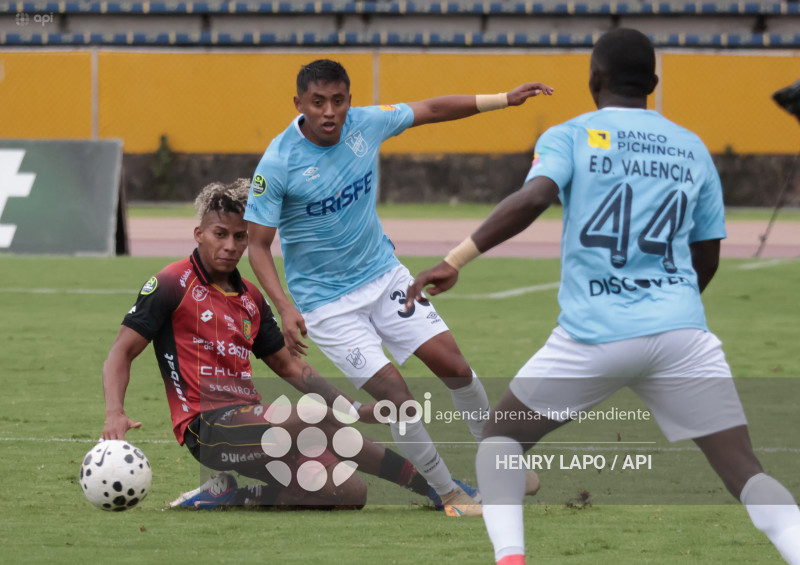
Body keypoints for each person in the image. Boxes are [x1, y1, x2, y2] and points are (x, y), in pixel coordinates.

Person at [407, 28, 800, 564]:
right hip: (682, 336)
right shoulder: (692, 148)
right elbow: (706, 256)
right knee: (745, 471)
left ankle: (512, 559)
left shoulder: (569, 135)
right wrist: (668, 305)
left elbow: (534, 198)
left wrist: (455, 260)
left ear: (594, 79)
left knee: (500, 440)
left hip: (593, 336)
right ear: (654, 83)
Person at [244, 59, 552, 515]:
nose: (330, 111)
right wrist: (285, 307)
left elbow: (431, 108)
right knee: (397, 400)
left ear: (349, 99)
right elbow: (258, 246)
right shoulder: (278, 163)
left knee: (456, 367)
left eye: (339, 100)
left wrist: (502, 99)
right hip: (329, 307)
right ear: (299, 104)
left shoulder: (366, 123)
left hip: (385, 276)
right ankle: (450, 494)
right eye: (318, 102)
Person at [101, 179, 441, 510]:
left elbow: (288, 365)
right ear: (199, 234)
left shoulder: (251, 297)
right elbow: (122, 351)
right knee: (317, 416)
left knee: (349, 493)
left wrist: (348, 405)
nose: (230, 246)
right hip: (208, 428)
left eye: (239, 237)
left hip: (253, 424)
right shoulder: (170, 284)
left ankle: (230, 496)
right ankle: (436, 488)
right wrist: (115, 412)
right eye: (220, 234)